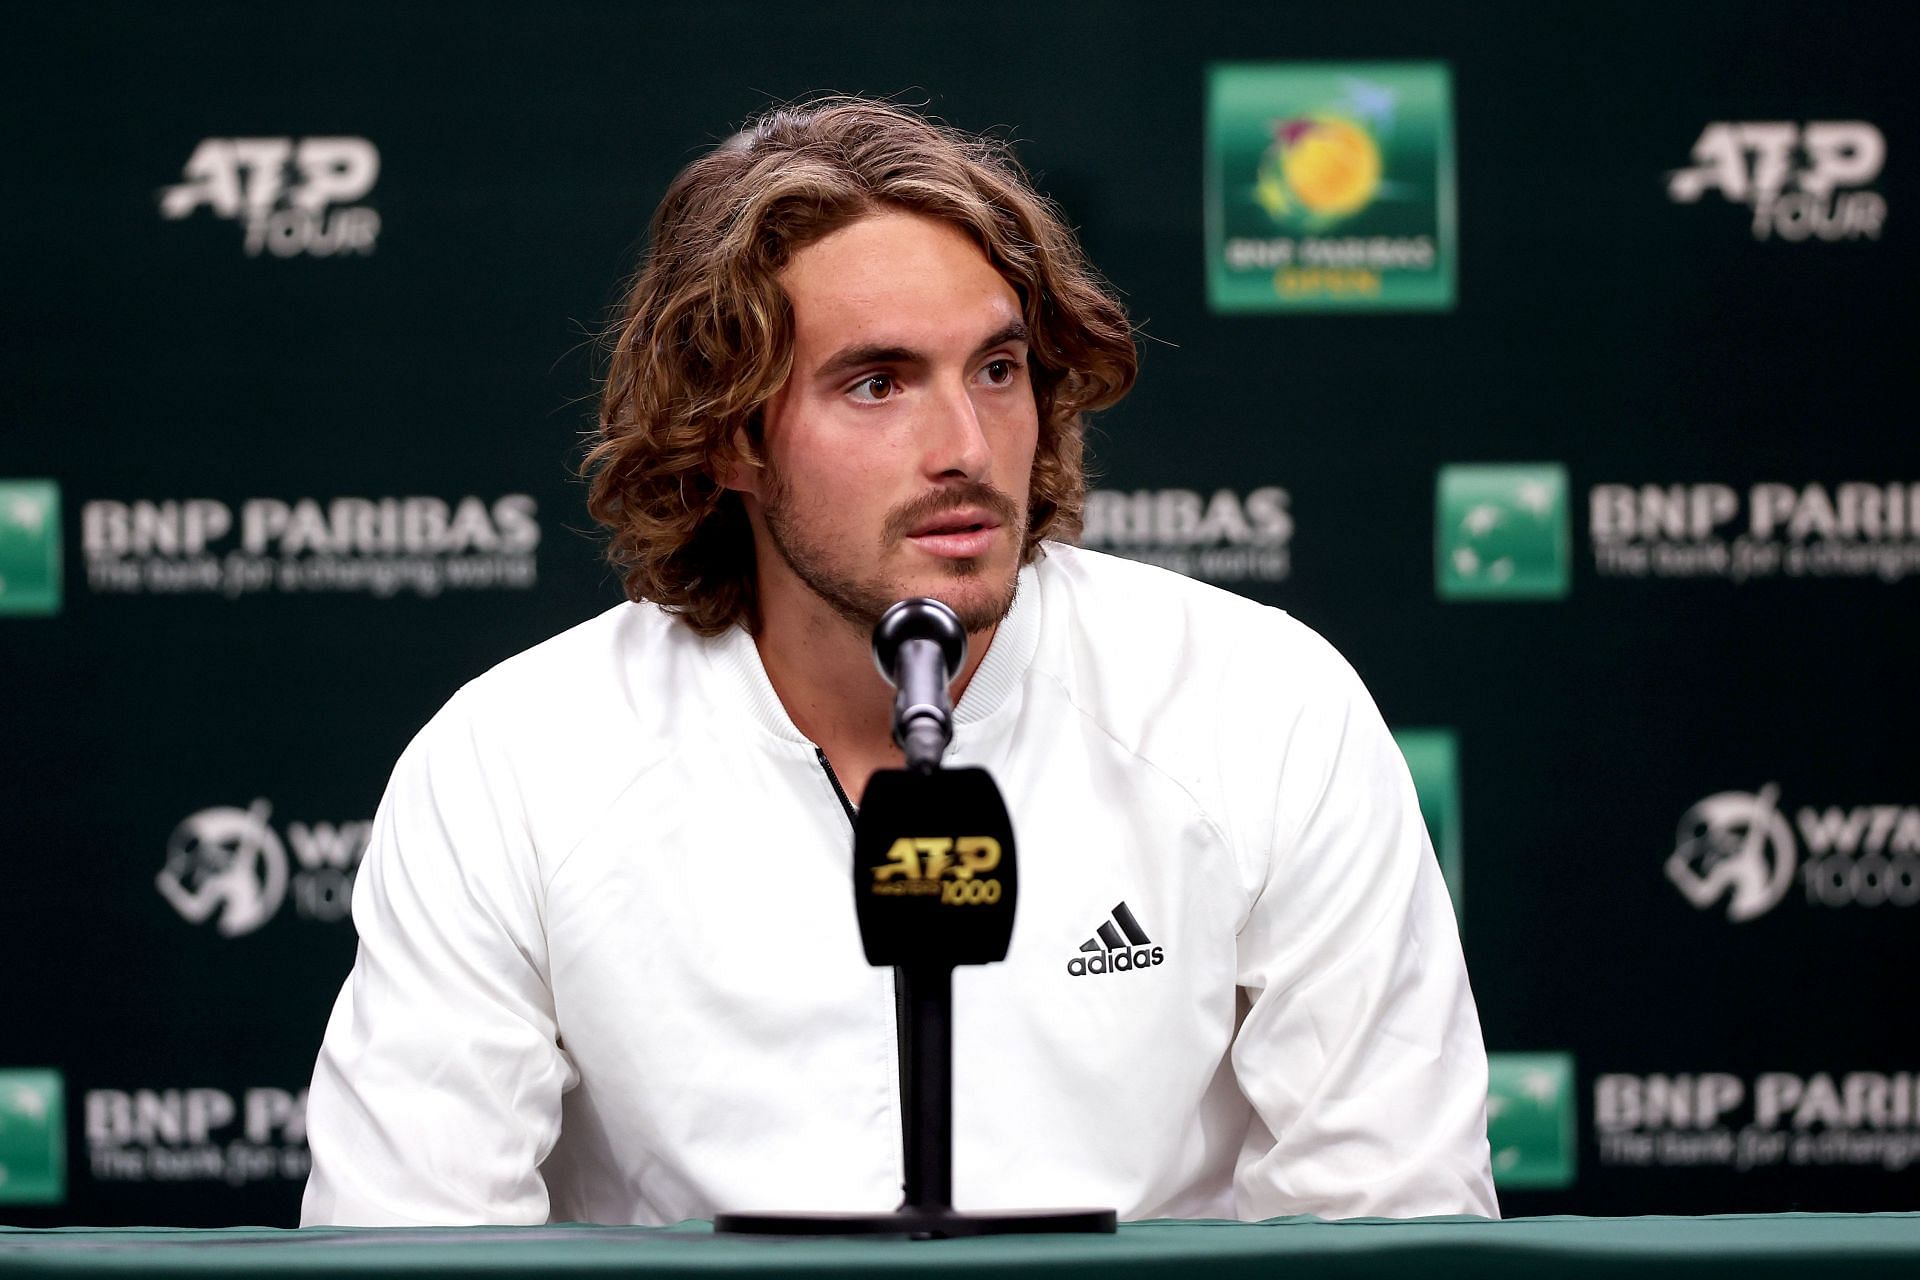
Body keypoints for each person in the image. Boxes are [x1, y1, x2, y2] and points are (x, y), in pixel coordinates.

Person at [300, 96, 1498, 1227]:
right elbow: (413, 1239)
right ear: (727, 434)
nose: (967, 447)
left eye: (996, 368)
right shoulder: (516, 761)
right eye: (876, 384)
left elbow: (1391, 1216)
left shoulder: (1258, 702)